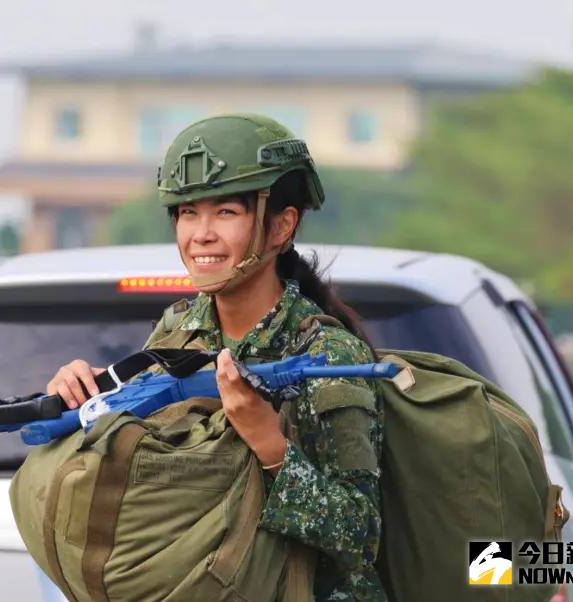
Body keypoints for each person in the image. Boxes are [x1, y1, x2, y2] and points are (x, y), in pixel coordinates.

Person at [46, 114, 386, 601]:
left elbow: (360, 536)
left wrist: (270, 446)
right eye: (187, 213)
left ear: (281, 226)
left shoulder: (326, 354)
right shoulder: (180, 330)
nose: (200, 234)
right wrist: (87, 400)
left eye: (225, 212)